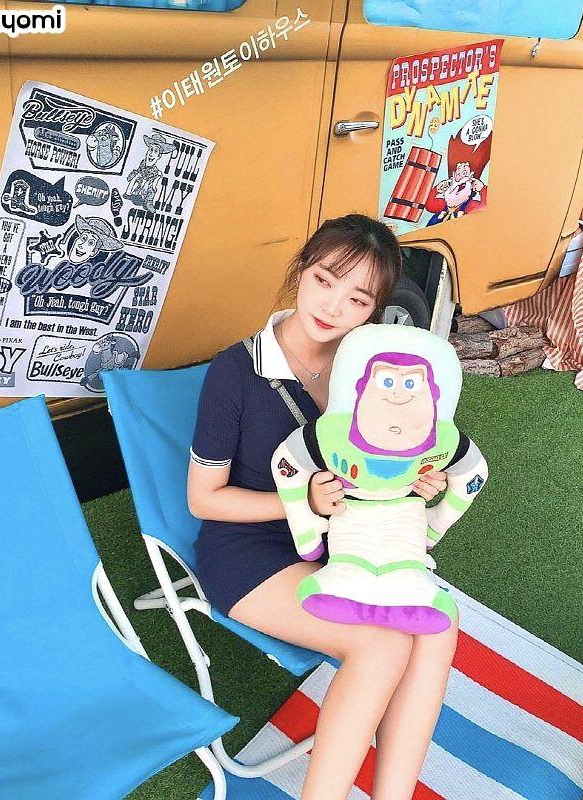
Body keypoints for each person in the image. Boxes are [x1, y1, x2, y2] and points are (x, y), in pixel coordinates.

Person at [187, 213, 457, 800]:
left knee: (439, 627)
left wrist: (416, 480)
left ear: (375, 310)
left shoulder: (370, 373)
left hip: (344, 545)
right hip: (250, 553)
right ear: (302, 269)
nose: (333, 307)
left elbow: (386, 461)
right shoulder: (236, 370)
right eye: (324, 281)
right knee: (381, 647)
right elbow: (203, 499)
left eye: (358, 299)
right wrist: (300, 501)